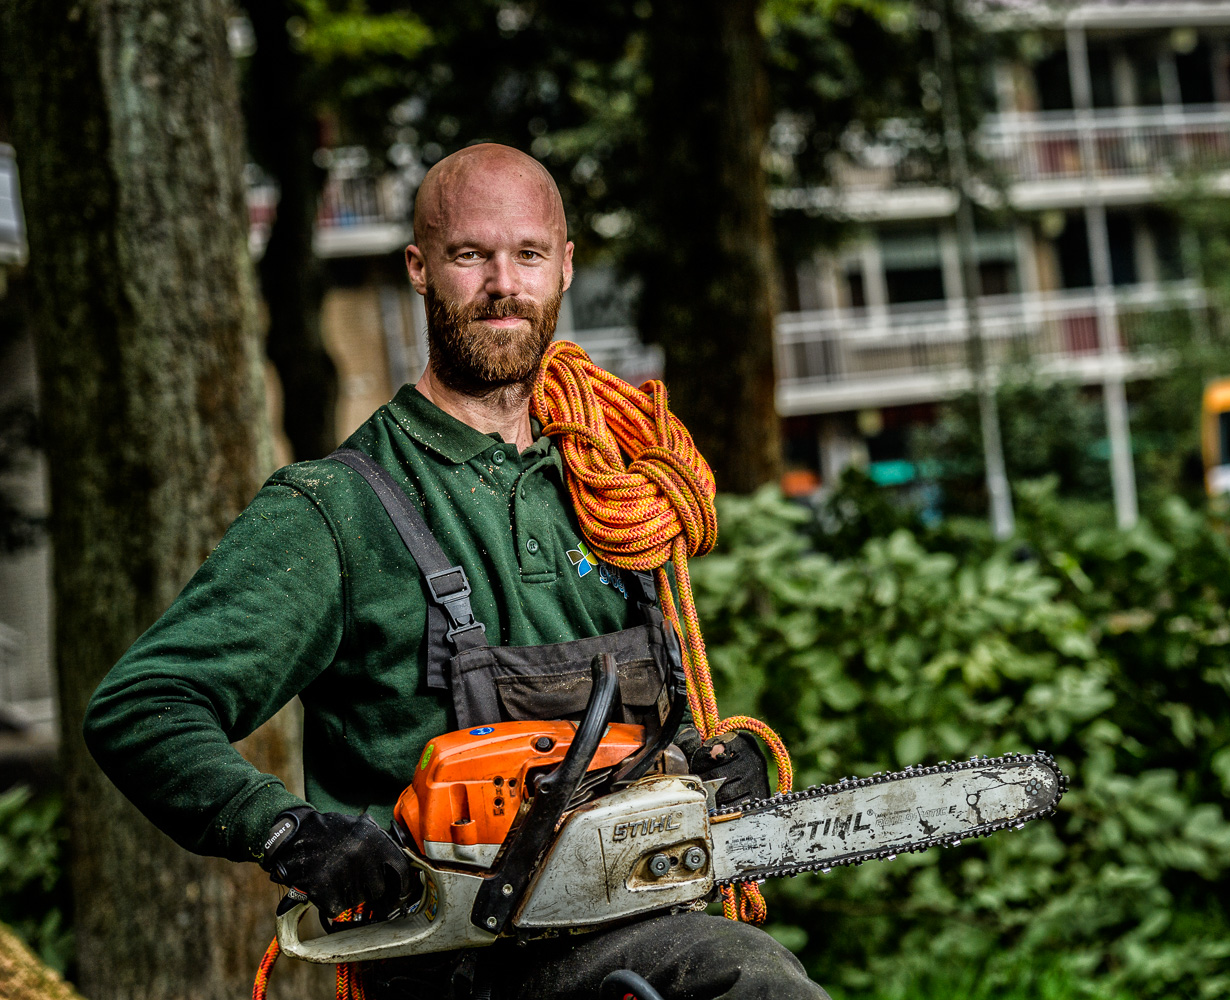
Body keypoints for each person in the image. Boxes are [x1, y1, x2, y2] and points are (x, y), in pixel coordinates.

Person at [83, 143, 827, 1000]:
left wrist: (707, 767)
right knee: (750, 984)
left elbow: (649, 720)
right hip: (451, 962)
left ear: (565, 269)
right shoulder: (336, 511)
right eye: (471, 255)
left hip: (632, 920)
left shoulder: (606, 484)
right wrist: (287, 831)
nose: (503, 283)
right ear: (420, 269)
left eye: (529, 255)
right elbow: (143, 707)